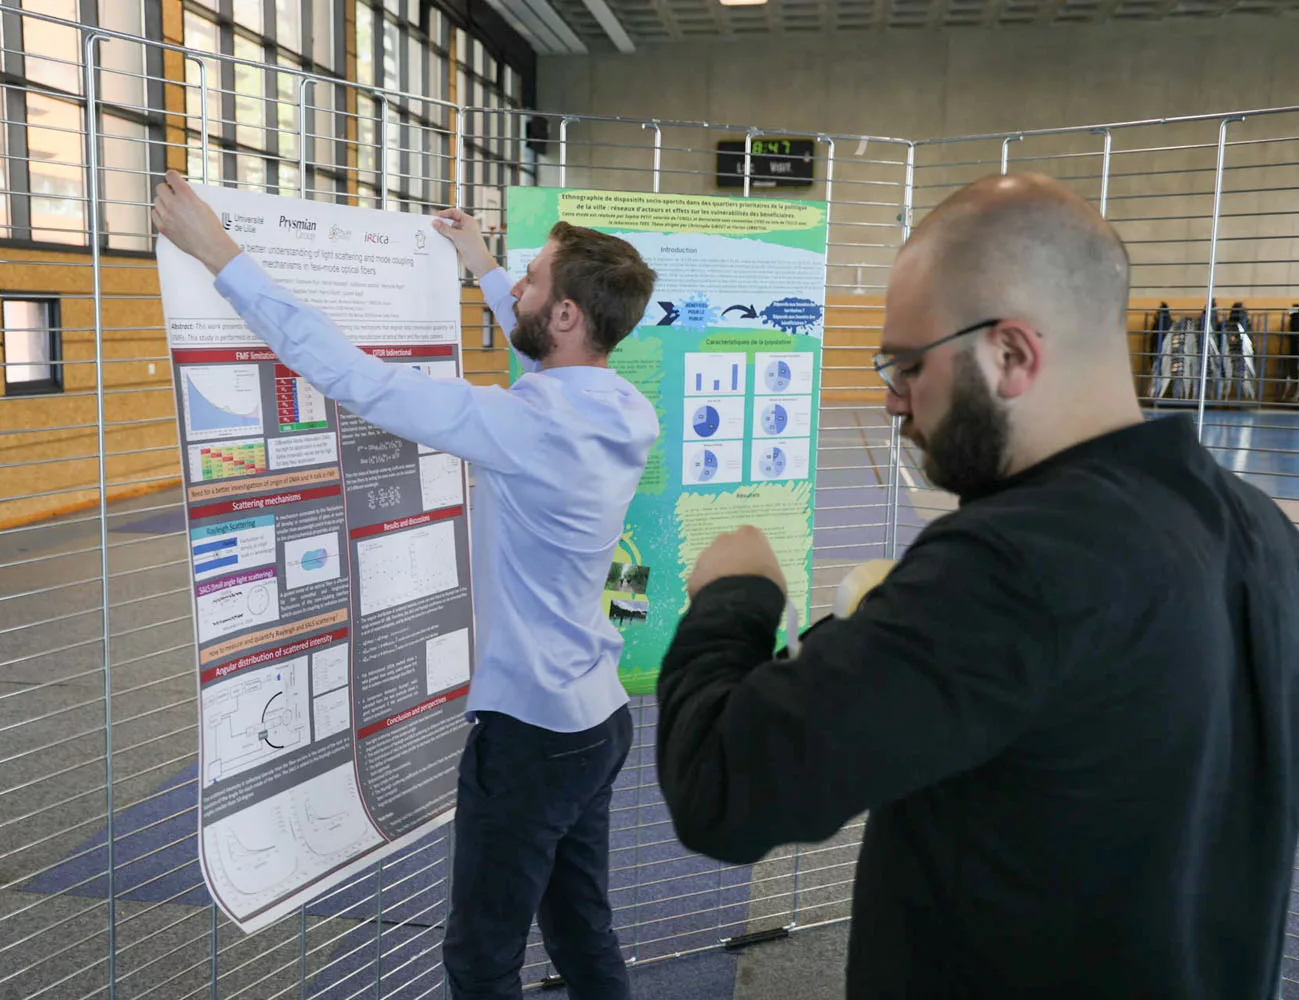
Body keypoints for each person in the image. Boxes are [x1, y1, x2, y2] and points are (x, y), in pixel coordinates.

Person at [653, 172, 1299, 998]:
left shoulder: (1011, 564)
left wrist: (733, 596)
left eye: (907, 366)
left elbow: (721, 790)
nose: (893, 402)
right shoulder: (1256, 527)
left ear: (1010, 353)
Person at [151, 172, 658, 1000]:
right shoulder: (620, 406)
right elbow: (547, 348)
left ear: (567, 314)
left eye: (532, 279)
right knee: (578, 926)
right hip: (596, 722)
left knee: (481, 958)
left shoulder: (523, 425)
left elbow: (358, 380)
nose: (518, 287)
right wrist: (487, 270)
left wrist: (218, 253)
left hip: (529, 739)